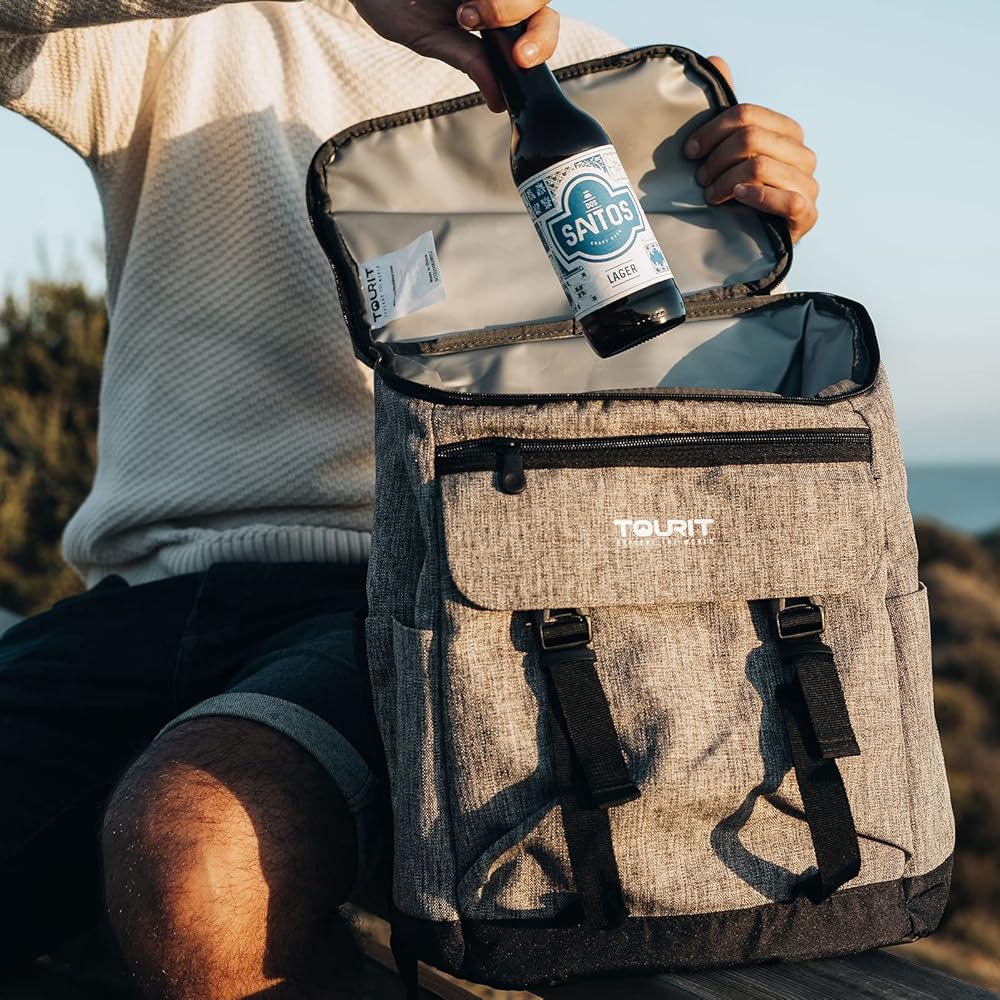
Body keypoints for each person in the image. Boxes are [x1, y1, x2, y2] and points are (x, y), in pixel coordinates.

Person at [0, 1, 820, 996]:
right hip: (136, 604)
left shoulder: (624, 87)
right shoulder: (181, 26)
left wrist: (729, 235)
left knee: (201, 856)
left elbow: (656, 401)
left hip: (420, 602)